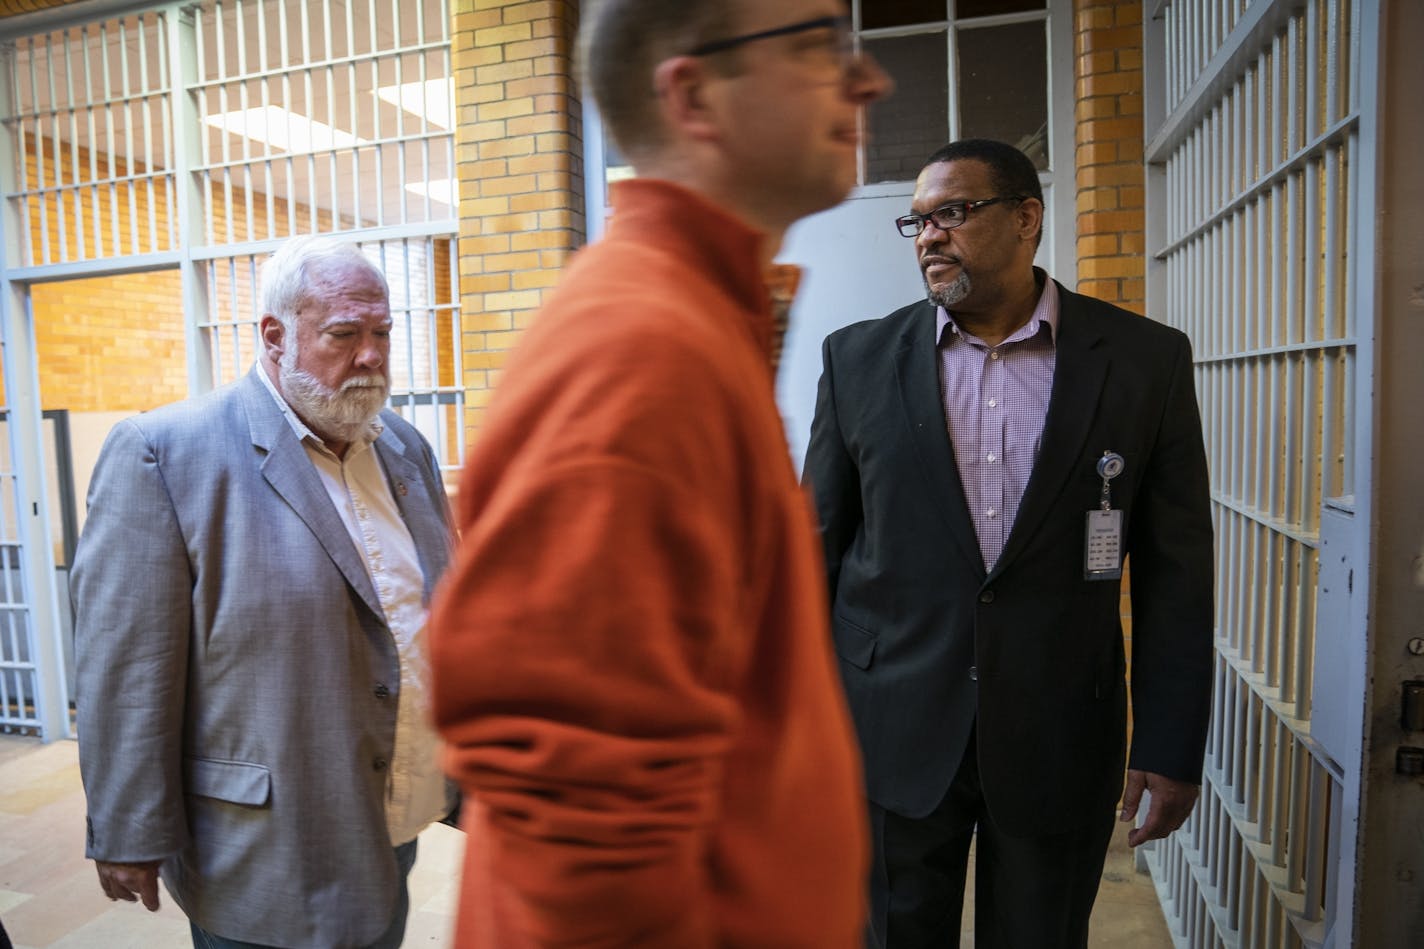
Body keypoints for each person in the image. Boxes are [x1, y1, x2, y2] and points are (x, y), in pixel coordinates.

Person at [426, 1, 890, 946]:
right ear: (694, 95)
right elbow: (581, 843)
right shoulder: (642, 352)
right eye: (814, 45)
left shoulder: (696, 318)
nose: (868, 77)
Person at [803, 139, 1214, 948]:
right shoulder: (856, 361)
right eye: (917, 221)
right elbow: (816, 549)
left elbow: (1177, 570)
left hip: (1060, 730)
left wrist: (1171, 745)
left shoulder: (1142, 360)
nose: (929, 236)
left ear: (1027, 219)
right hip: (891, 729)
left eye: (952, 213)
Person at [72, 235, 457, 948]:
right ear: (276, 336)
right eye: (345, 334)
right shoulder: (166, 452)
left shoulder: (404, 446)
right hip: (264, 843)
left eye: (382, 333)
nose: (371, 355)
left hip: (392, 809)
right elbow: (127, 667)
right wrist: (128, 826)